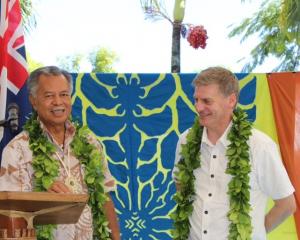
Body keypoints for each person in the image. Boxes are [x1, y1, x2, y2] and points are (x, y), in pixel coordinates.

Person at [172, 66, 296, 240]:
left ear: (231, 101)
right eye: (196, 100)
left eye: (207, 101)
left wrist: (253, 234)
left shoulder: (259, 146)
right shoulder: (186, 140)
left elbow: (286, 205)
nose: (198, 107)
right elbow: (181, 186)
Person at [0, 66, 120, 240]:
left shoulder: (90, 142)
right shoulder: (17, 149)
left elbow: (105, 196)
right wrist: (43, 197)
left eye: (63, 94)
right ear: (33, 101)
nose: (58, 102)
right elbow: (11, 212)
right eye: (49, 96)